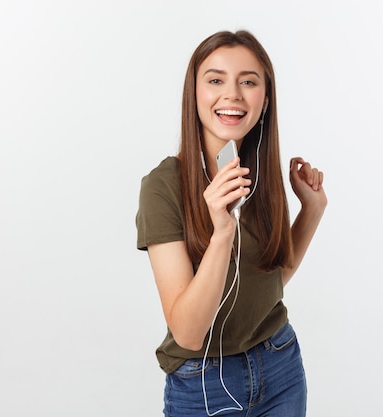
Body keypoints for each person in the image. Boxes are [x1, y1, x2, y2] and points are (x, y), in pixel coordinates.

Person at [136, 29, 327, 417]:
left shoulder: (257, 173)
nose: (233, 95)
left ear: (266, 98)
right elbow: (188, 333)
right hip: (203, 383)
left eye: (249, 82)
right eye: (216, 80)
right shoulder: (163, 187)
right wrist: (222, 233)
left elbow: (268, 282)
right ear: (194, 94)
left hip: (279, 364)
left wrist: (312, 210)